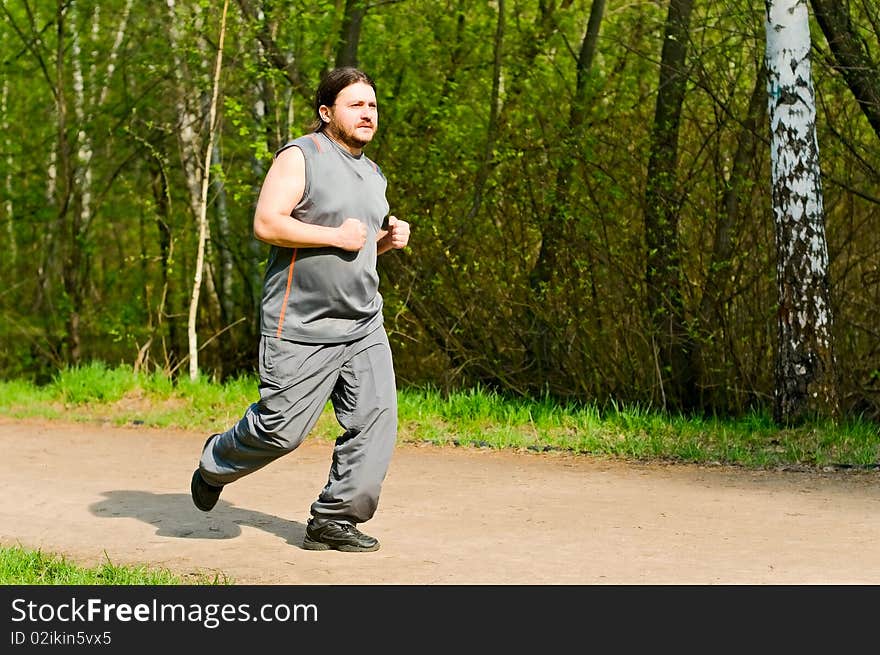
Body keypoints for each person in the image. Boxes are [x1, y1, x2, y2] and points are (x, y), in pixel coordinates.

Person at [190, 67, 410, 553]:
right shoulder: (300, 156)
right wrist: (336, 235)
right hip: (302, 324)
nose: (367, 114)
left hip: (363, 322)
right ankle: (216, 460)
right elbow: (268, 223)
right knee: (279, 432)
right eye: (356, 105)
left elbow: (354, 246)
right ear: (326, 112)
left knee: (377, 419)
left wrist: (384, 241)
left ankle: (334, 518)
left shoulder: (374, 175)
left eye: (372, 105)